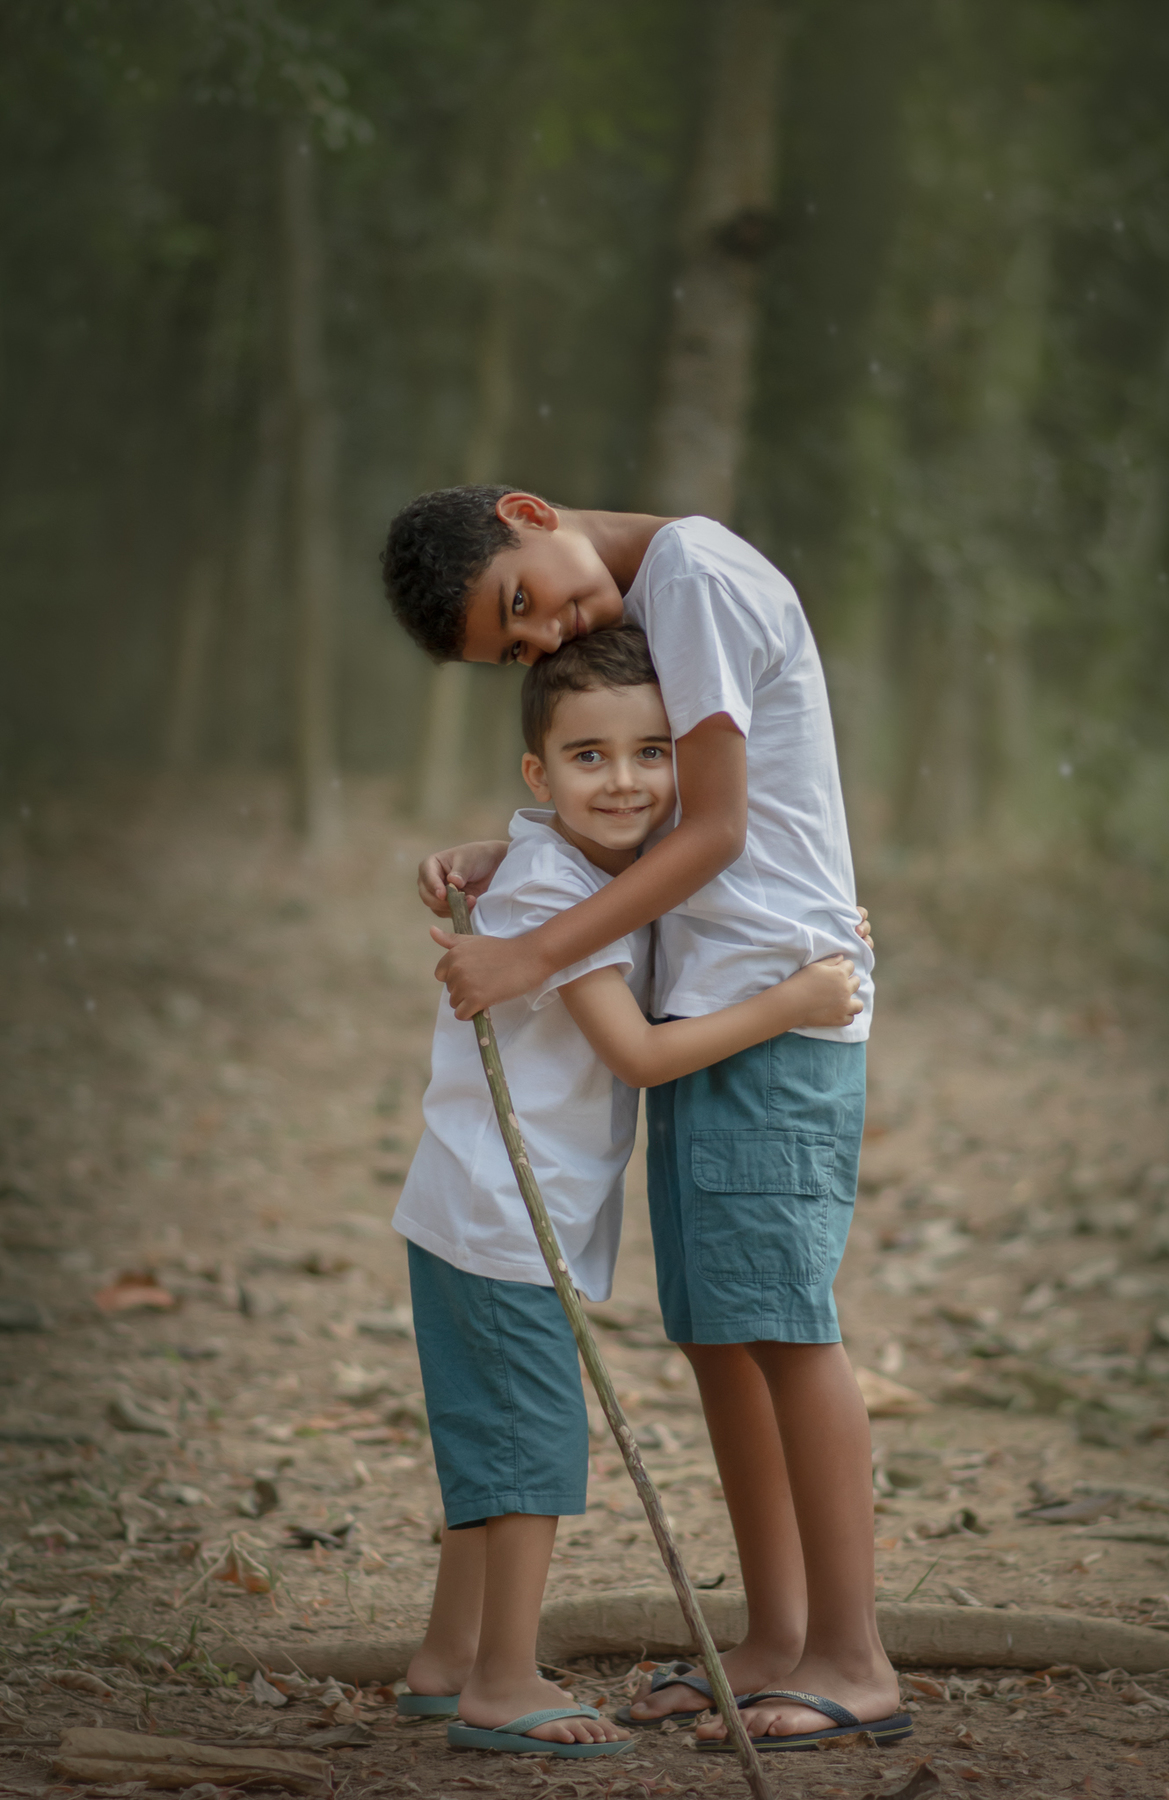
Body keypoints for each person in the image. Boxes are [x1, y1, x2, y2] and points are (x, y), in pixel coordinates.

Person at [382, 486, 911, 1754]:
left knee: (783, 1326)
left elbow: (719, 825)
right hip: (703, 999)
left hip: (770, 1013)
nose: (546, 635)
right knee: (721, 1333)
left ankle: (855, 1652)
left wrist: (533, 953)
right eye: (516, 651)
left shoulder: (698, 579)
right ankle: (775, 1636)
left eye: (524, 601)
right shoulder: (657, 601)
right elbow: (651, 805)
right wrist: (523, 859)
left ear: (530, 511)